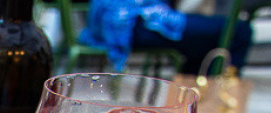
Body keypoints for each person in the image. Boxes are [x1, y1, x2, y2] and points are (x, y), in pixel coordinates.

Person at [79, 0, 253, 75]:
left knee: (205, 39)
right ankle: (218, 108)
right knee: (239, 31)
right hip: (133, 19)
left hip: (110, 19)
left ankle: (195, 109)